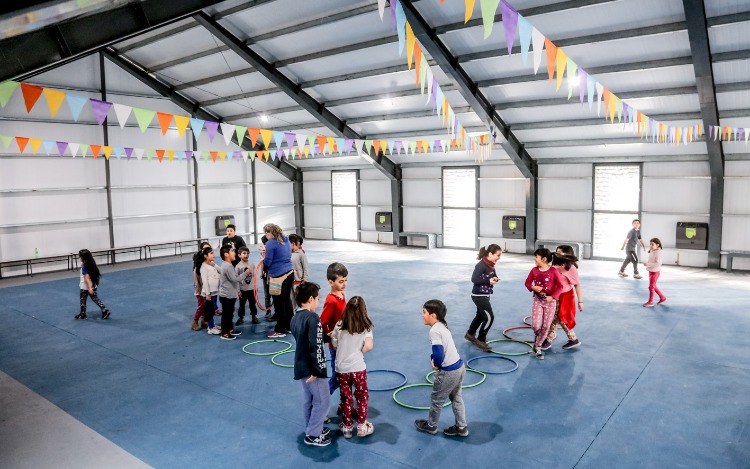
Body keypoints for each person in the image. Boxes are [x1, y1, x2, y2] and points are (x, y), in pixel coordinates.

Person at [415, 299, 469, 438]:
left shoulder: (434, 331)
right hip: (459, 367)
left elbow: (438, 352)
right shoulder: (442, 326)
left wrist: (436, 363)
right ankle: (461, 427)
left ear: (433, 315)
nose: (422, 315)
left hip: (448, 371)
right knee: (456, 397)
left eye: (424, 312)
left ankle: (431, 426)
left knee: (436, 400)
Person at [290, 282, 331, 447]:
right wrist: (318, 369)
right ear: (311, 299)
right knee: (322, 401)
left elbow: (306, 339)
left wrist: (324, 335)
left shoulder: (295, 317)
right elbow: (315, 346)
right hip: (312, 368)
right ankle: (314, 434)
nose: (318, 303)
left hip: (301, 366)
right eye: (318, 299)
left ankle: (313, 427)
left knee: (310, 399)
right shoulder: (312, 317)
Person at [331, 296, 374, 439]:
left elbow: (335, 344)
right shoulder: (365, 327)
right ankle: (361, 426)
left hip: (342, 369)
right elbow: (369, 346)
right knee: (362, 396)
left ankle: (347, 428)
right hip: (358, 368)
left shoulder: (339, 325)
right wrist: (361, 349)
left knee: (346, 397)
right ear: (363, 311)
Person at [525, 248, 564, 360]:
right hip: (537, 301)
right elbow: (527, 282)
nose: (535, 259)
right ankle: (538, 335)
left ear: (544, 259)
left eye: (536, 257)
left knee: (546, 326)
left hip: (550, 303)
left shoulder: (553, 271)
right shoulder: (534, 270)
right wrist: (533, 287)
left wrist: (552, 297)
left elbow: (560, 286)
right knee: (536, 325)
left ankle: (537, 347)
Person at [544, 245, 583, 351]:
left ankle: (572, 339)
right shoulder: (554, 266)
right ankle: (549, 340)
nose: (557, 253)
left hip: (566, 296)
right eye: (557, 251)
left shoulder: (571, 268)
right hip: (555, 296)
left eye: (560, 252)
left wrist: (580, 301)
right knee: (554, 318)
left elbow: (577, 285)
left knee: (562, 318)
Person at [465, 244, 501, 352]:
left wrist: (495, 278)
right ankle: (481, 339)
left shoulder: (491, 264)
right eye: (498, 255)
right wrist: (488, 281)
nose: (499, 258)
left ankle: (470, 334)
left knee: (480, 316)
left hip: (485, 295)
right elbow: (474, 279)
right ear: (490, 254)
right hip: (479, 296)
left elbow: (493, 275)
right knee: (489, 317)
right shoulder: (481, 265)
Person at [320, 262, 348, 398]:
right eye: (341, 281)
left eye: (346, 280)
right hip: (336, 345)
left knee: (346, 376)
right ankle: (322, 402)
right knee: (337, 378)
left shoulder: (342, 295)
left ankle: (345, 405)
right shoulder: (331, 301)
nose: (344, 284)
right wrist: (328, 333)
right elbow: (322, 322)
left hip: (346, 342)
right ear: (331, 282)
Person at [263, 224, 295, 338]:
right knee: (287, 301)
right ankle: (289, 326)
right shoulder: (286, 240)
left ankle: (280, 330)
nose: (266, 236)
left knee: (278, 303)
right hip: (290, 273)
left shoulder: (271, 243)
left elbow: (268, 261)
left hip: (278, 276)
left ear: (270, 233)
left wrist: (264, 259)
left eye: (267, 233)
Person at [218, 246, 250, 340]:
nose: (234, 253)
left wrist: (237, 291)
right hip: (226, 296)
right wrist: (246, 273)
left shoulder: (229, 265)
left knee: (230, 313)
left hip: (230, 295)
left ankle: (230, 329)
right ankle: (225, 333)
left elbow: (233, 279)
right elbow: (235, 279)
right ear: (226, 254)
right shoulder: (227, 266)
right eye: (232, 251)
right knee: (226, 315)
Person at [74, 249, 111, 320]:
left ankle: (83, 314)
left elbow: (86, 278)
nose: (80, 258)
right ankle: (105, 309)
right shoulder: (92, 263)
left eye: (80, 257)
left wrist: (89, 288)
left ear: (84, 257)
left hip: (85, 287)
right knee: (95, 299)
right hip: (93, 285)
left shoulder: (84, 266)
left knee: (83, 300)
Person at [199, 246, 222, 335]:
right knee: (209, 310)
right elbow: (204, 281)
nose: (213, 255)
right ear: (205, 256)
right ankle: (210, 328)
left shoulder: (212, 264)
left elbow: (221, 271)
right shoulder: (203, 267)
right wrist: (208, 294)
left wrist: (214, 265)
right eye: (211, 253)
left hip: (215, 292)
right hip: (209, 293)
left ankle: (212, 324)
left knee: (213, 309)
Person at [235, 246, 259, 325]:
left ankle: (254, 316)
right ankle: (241, 317)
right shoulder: (238, 266)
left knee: (252, 304)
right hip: (243, 289)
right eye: (244, 253)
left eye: (247, 253)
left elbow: (254, 276)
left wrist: (256, 287)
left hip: (251, 289)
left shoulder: (251, 264)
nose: (246, 255)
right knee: (242, 305)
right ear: (239, 255)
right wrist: (238, 290)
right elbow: (236, 279)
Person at [642, 238, 667, 307]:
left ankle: (650, 302)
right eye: (650, 244)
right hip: (651, 271)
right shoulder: (652, 251)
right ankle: (662, 297)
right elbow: (651, 261)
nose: (651, 245)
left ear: (657, 245)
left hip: (655, 272)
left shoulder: (658, 253)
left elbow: (658, 263)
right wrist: (647, 263)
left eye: (652, 244)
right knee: (653, 286)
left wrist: (648, 264)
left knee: (651, 287)